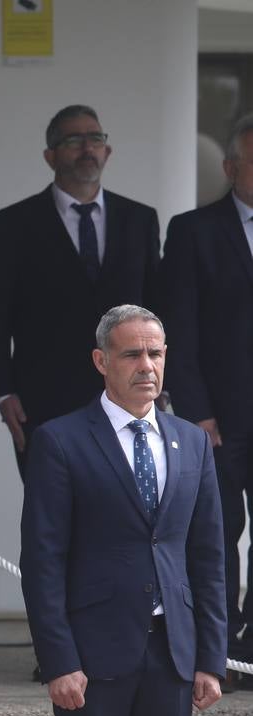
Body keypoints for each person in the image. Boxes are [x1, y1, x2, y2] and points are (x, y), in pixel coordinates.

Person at [20, 305, 225, 716]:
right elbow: (43, 561)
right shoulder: (60, 441)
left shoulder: (191, 441)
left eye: (155, 354)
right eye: (132, 354)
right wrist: (58, 659)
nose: (146, 367)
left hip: (171, 657)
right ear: (101, 362)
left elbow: (208, 558)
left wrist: (210, 655)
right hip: (93, 659)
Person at [0, 104, 160, 479]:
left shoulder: (140, 219)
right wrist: (1, 392)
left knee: (124, 510)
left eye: (96, 139)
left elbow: (155, 304)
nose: (87, 148)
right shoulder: (14, 224)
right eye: (74, 140)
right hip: (43, 399)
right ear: (51, 156)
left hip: (125, 390)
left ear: (107, 151)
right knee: (52, 514)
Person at [161, 112, 253, 685]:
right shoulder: (194, 230)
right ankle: (220, 648)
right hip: (218, 417)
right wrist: (196, 412)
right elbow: (181, 326)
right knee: (218, 535)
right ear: (230, 168)